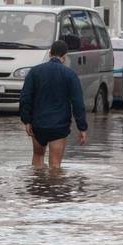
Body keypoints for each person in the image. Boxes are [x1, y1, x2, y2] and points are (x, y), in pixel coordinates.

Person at [19, 40, 87, 170]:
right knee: (55, 165)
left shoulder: (35, 72)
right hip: (59, 126)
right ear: (64, 57)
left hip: (38, 124)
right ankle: (54, 188)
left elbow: (25, 97)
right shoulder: (70, 75)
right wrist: (82, 128)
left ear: (50, 53)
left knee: (38, 158)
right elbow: (78, 103)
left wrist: (26, 120)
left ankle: (37, 187)